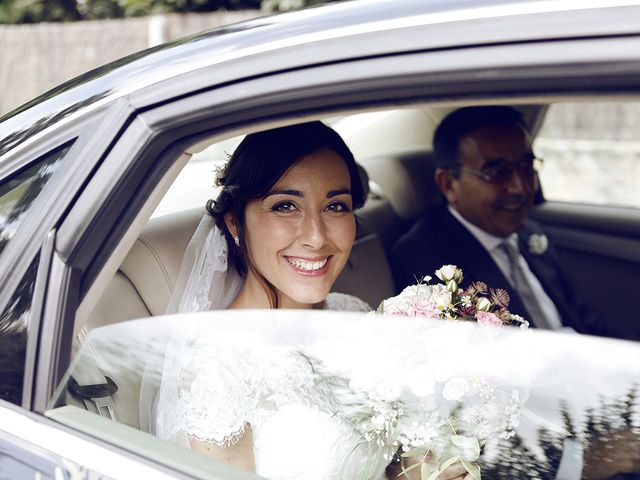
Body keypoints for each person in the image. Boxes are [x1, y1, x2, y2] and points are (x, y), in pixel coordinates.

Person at [148, 122, 473, 480]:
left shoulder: (353, 312)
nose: (317, 238)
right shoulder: (215, 375)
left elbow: (391, 465)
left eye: (335, 206)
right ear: (235, 222)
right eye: (286, 206)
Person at [390, 106, 614, 337]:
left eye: (526, 167)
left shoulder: (528, 233)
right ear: (448, 184)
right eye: (497, 172)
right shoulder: (425, 261)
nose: (521, 187)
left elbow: (580, 316)